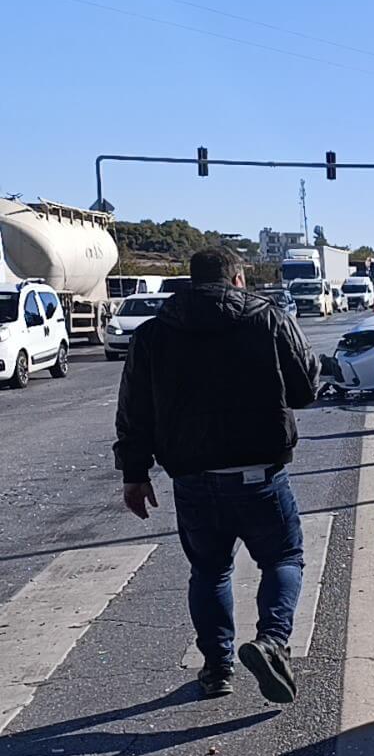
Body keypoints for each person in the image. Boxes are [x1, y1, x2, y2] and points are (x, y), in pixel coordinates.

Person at [114, 247, 318, 702]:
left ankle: (217, 669)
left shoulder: (153, 333)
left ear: (192, 281)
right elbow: (305, 388)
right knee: (283, 559)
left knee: (209, 571)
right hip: (259, 474)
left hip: (192, 478)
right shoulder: (269, 318)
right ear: (238, 279)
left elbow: (134, 410)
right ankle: (272, 642)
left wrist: (135, 472)